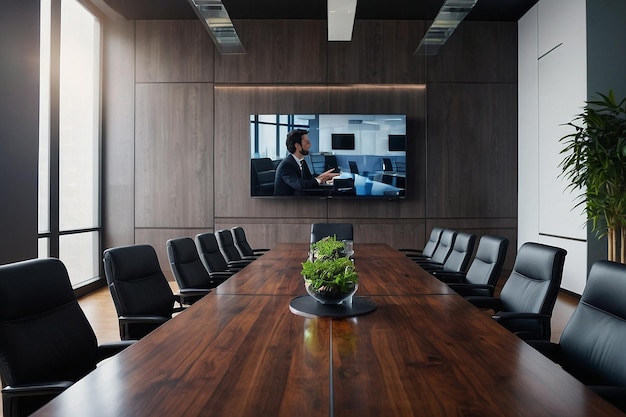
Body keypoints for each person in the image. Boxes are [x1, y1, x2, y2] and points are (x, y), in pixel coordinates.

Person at [274, 129, 338, 196]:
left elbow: (309, 180)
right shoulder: (286, 165)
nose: (310, 145)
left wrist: (323, 177)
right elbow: (300, 185)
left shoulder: (301, 161)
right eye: (307, 143)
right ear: (297, 146)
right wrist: (319, 179)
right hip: (287, 204)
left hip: (300, 201)